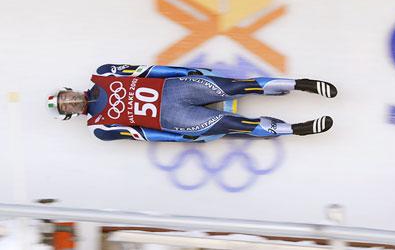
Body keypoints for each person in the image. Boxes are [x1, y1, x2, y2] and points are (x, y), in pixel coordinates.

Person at [47, 64, 337, 142]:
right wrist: (182, 138)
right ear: (69, 115)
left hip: (176, 90)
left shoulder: (104, 74)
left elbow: (146, 70)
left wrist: (183, 72)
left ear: (69, 90)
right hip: (175, 120)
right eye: (67, 106)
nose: (71, 102)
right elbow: (143, 135)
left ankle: (301, 84)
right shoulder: (100, 128)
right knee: (238, 125)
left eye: (66, 97)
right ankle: (296, 129)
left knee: (239, 86)